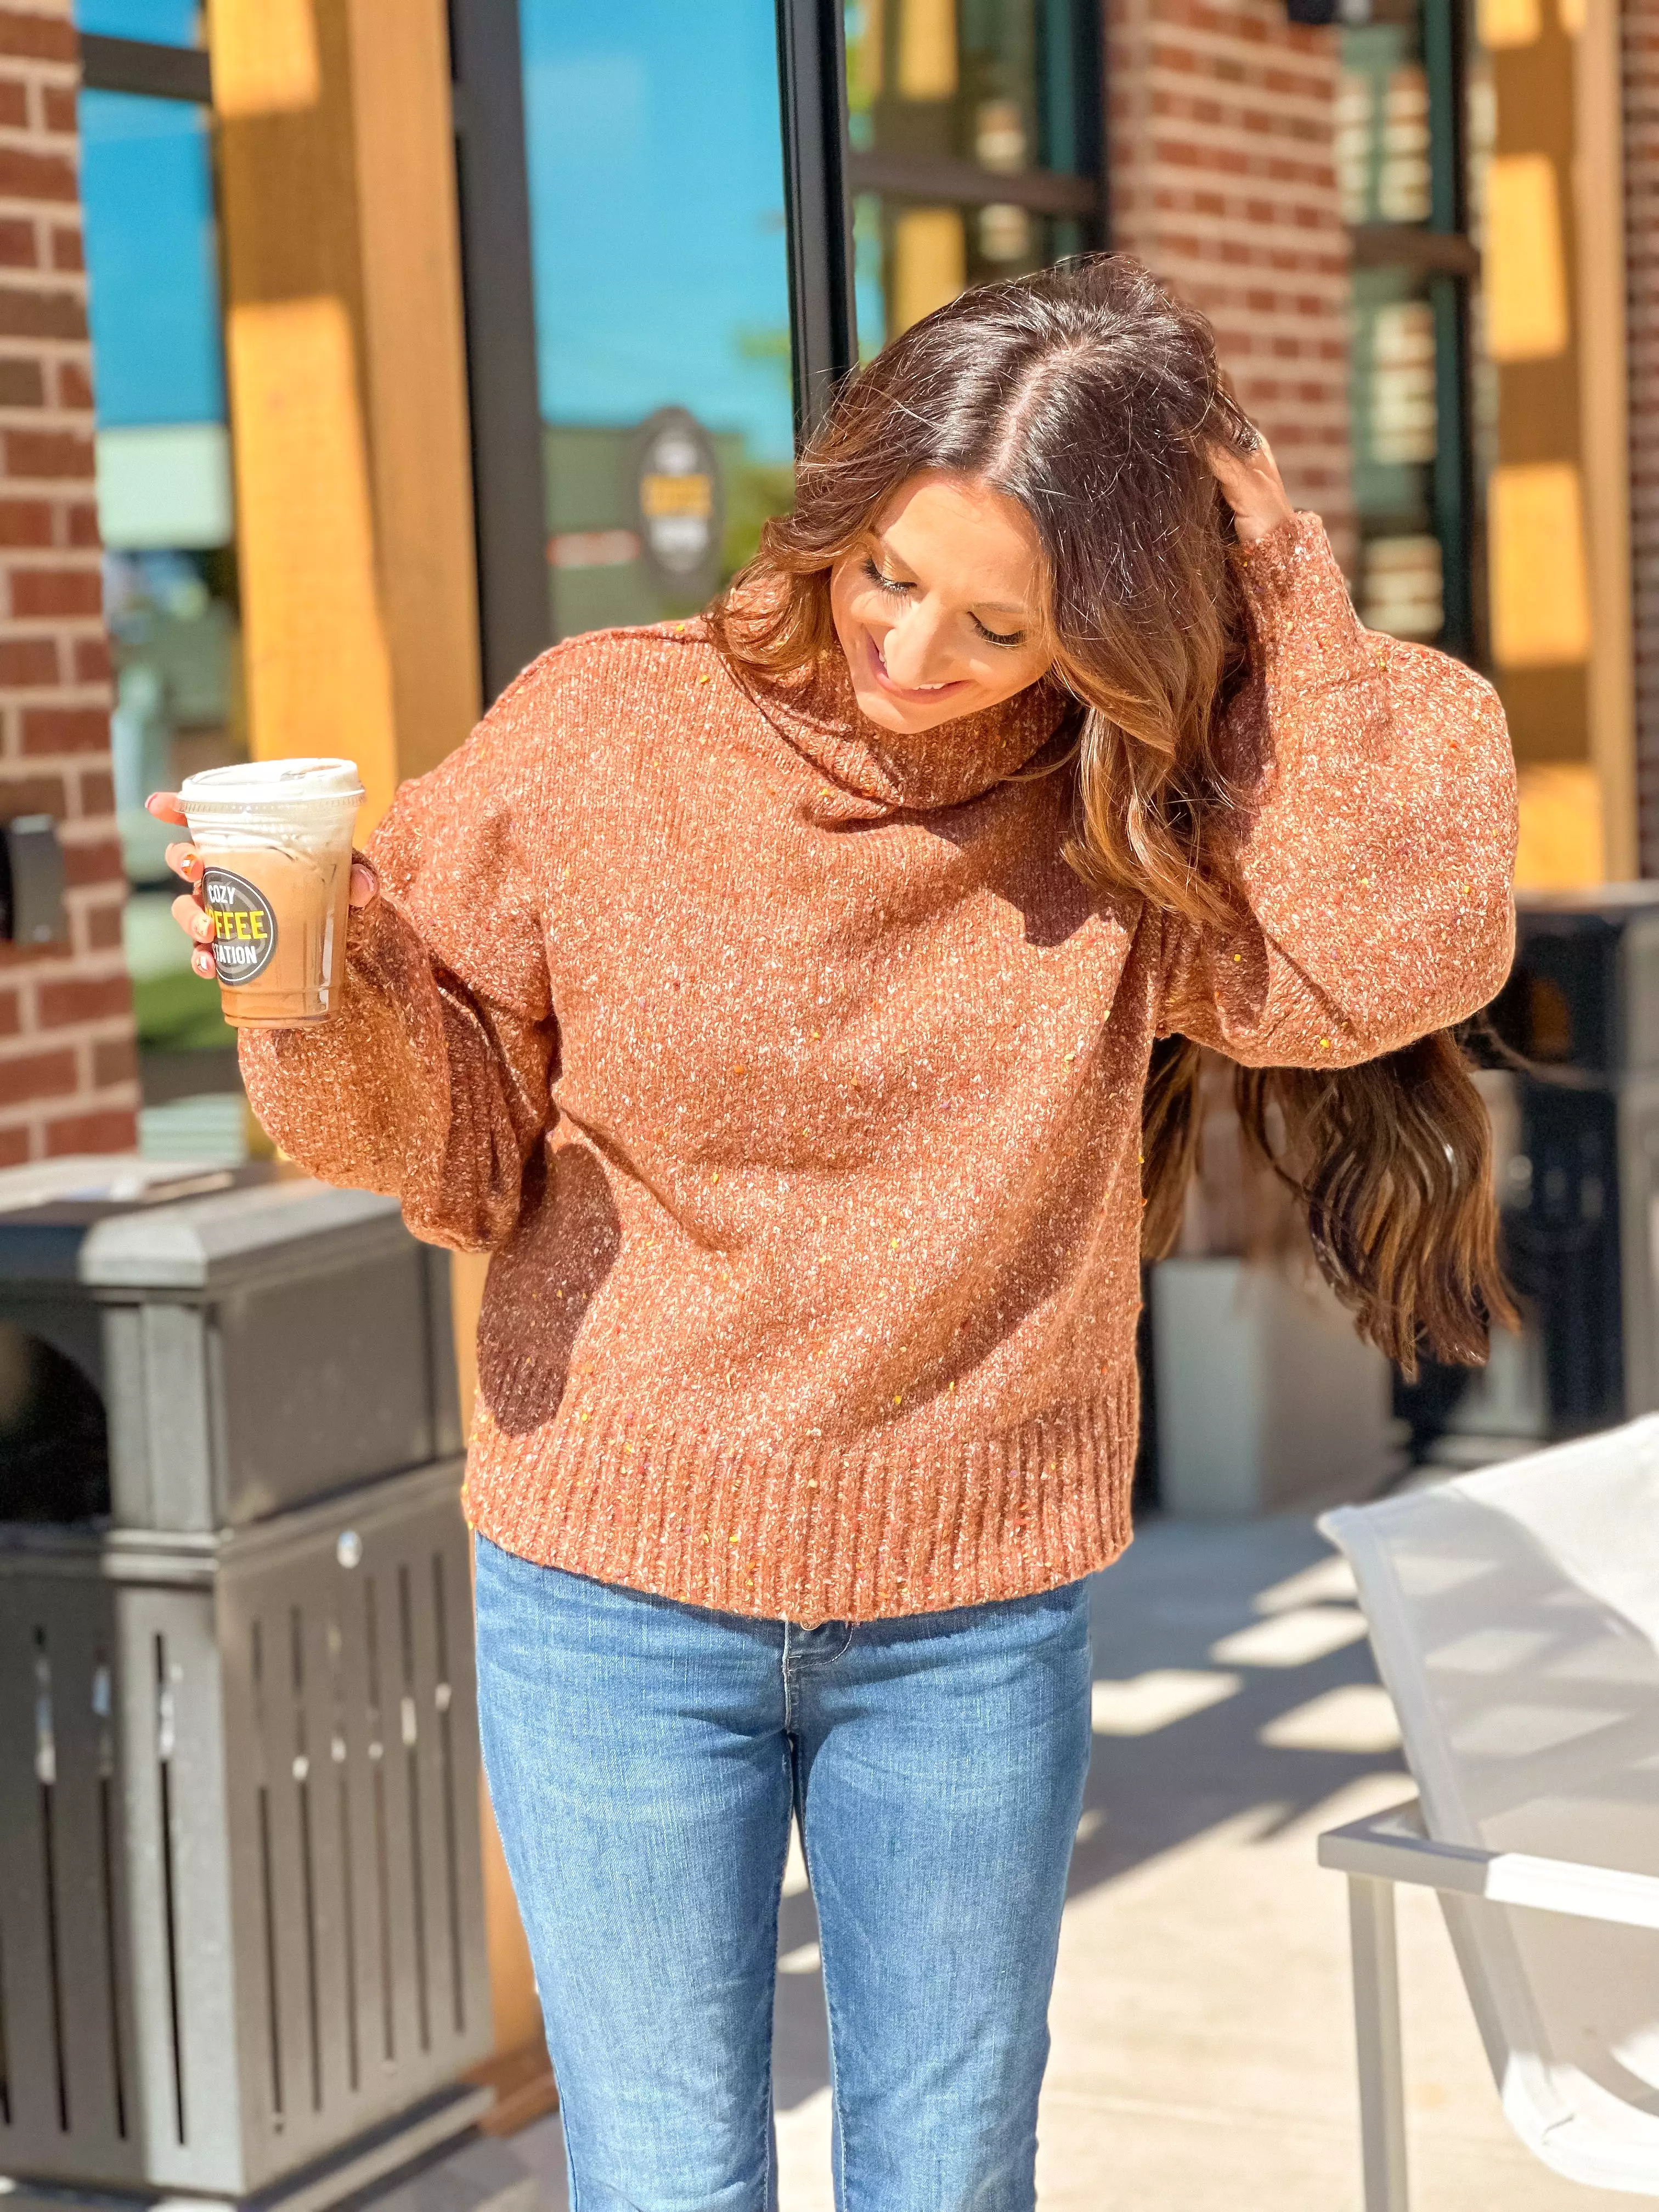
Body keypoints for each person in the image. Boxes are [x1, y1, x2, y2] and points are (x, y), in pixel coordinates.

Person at [152, 255, 1516, 2212]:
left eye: (1003, 623)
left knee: (949, 2174)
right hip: (612, 1601)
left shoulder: (1113, 815)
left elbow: (1398, 948)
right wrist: (301, 990)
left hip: (968, 1615)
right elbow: (447, 1140)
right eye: (891, 570)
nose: (915, 650)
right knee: (667, 2176)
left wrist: (1281, 573)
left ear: (1103, 632)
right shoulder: (603, 733)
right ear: (840, 504)